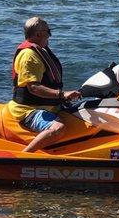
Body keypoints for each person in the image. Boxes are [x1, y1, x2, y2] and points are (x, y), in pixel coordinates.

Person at [8, 17, 80, 152]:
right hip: (28, 110)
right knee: (58, 129)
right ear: (38, 34)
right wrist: (62, 94)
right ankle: (25, 157)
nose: (50, 35)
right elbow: (33, 87)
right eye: (48, 31)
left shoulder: (40, 50)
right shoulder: (29, 56)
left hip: (47, 106)